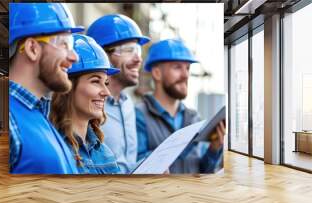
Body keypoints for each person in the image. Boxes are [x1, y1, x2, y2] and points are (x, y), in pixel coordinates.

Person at [8, 3, 84, 174]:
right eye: (64, 44)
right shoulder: (11, 119)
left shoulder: (38, 117)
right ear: (32, 48)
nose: (74, 57)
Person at [136, 39, 225, 174]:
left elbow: (203, 171)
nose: (185, 75)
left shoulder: (194, 118)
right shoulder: (139, 115)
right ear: (157, 73)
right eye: (177, 67)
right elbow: (136, 167)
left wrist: (214, 149)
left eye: (187, 68)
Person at [87, 14, 150, 173]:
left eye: (139, 51)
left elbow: (125, 166)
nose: (138, 59)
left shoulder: (128, 104)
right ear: (102, 55)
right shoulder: (86, 106)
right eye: (129, 50)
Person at [49, 34, 121, 174]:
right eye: (95, 81)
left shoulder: (105, 153)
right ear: (67, 86)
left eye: (106, 83)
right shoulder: (52, 150)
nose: (106, 92)